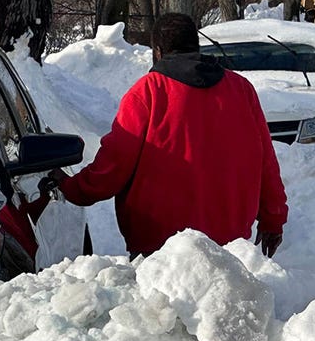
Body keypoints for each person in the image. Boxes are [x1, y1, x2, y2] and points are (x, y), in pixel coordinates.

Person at [48, 13, 288, 258]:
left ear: (158, 51)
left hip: (159, 252)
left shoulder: (147, 93)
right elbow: (266, 162)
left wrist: (71, 188)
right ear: (195, 45)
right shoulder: (241, 90)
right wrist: (273, 218)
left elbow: (113, 165)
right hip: (229, 249)